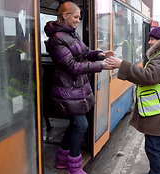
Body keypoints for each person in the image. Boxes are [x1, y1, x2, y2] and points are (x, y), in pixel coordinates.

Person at [44, 2, 113, 174]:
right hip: (66, 89)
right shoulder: (56, 38)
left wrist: (100, 54)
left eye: (79, 17)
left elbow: (86, 52)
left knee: (77, 125)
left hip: (76, 88)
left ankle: (61, 159)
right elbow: (72, 66)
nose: (78, 20)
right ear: (65, 15)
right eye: (75, 16)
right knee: (81, 125)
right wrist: (101, 65)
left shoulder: (71, 35)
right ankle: (73, 166)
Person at [105, 27, 160, 174]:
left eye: (152, 39)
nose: (149, 42)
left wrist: (122, 64)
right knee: (158, 147)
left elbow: (148, 76)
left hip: (159, 114)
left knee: (154, 149)